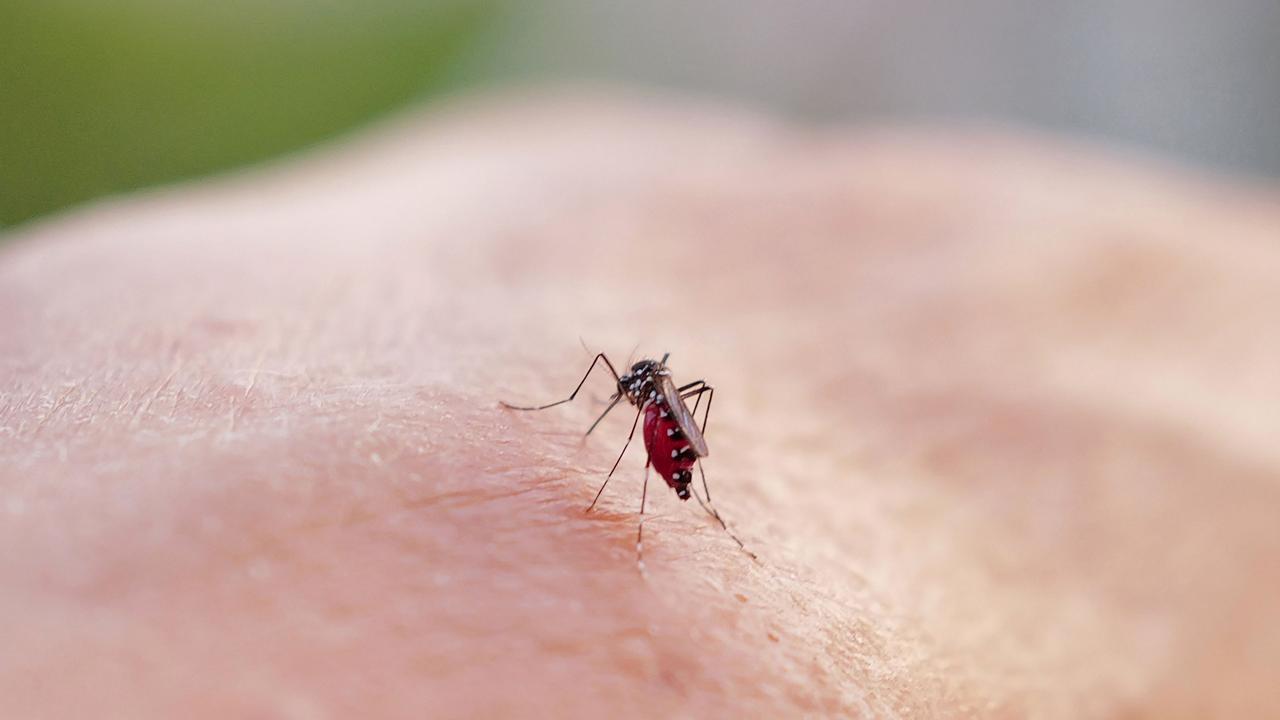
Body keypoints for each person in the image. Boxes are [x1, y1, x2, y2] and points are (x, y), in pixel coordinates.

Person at [3, 94, 1278, 718]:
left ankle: (685, 502)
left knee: (625, 502)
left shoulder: (648, 401)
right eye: (634, 393)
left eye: (633, 391)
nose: (632, 396)